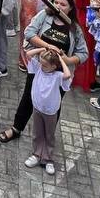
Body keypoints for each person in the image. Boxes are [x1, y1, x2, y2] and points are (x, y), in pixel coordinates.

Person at [0, 0, 87, 144]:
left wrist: (68, 60)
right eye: (56, 2)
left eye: (63, 4)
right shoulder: (44, 16)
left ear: (71, 8)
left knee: (53, 105)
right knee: (28, 97)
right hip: (39, 68)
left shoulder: (74, 28)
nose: (58, 6)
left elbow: (83, 53)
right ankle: (16, 128)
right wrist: (47, 46)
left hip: (59, 74)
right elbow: (29, 33)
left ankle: (47, 137)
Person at [23, 44, 71, 177]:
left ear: (54, 66)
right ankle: (37, 154)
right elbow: (28, 54)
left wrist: (60, 59)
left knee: (49, 135)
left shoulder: (57, 76)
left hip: (50, 111)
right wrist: (44, 49)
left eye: (45, 65)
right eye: (41, 63)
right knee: (37, 133)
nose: (41, 66)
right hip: (37, 107)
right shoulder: (38, 69)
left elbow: (67, 75)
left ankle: (48, 159)